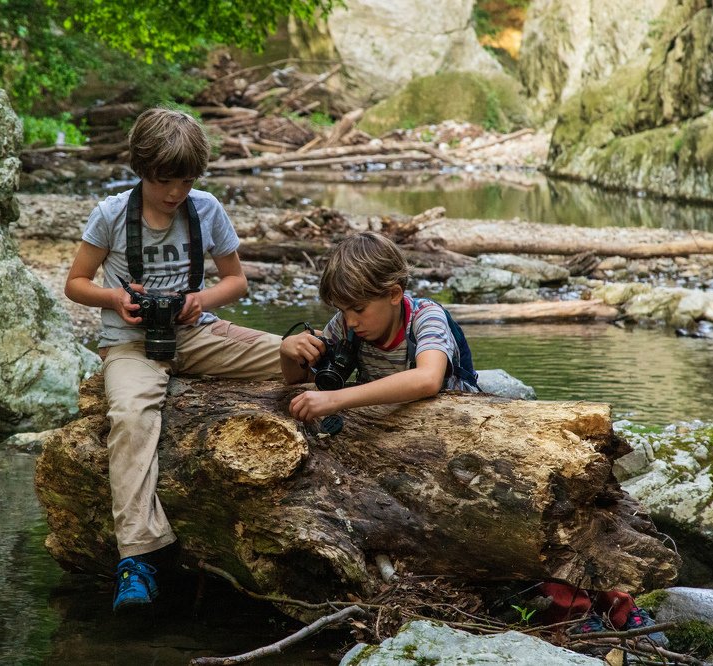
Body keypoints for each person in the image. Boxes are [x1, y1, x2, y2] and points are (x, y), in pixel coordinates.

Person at [64, 107, 283, 612]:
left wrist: (199, 300)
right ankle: (137, 560)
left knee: (291, 356)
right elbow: (76, 284)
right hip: (131, 344)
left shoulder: (206, 209)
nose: (176, 193)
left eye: (186, 180)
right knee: (131, 417)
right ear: (142, 169)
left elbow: (237, 281)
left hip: (196, 333)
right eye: (165, 181)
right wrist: (117, 300)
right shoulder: (111, 214)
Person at [280, 231, 478, 421]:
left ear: (394, 294)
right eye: (342, 310)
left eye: (359, 309)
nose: (351, 322)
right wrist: (287, 352)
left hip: (455, 418)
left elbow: (428, 379)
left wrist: (336, 399)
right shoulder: (346, 325)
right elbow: (306, 388)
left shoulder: (426, 317)